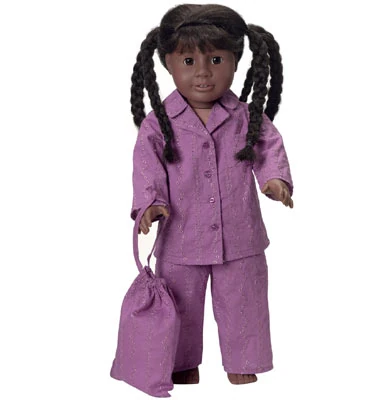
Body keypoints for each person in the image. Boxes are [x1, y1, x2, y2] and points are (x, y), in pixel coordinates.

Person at [129, 3, 293, 386]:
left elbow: (269, 148)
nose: (203, 72)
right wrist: (150, 203)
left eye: (216, 60)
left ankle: (244, 360)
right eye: (188, 61)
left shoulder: (247, 117)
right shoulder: (158, 125)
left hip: (240, 237)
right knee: (180, 306)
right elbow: (146, 166)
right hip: (180, 238)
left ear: (235, 61)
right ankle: (181, 363)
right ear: (168, 64)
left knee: (245, 303)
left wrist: (275, 179)